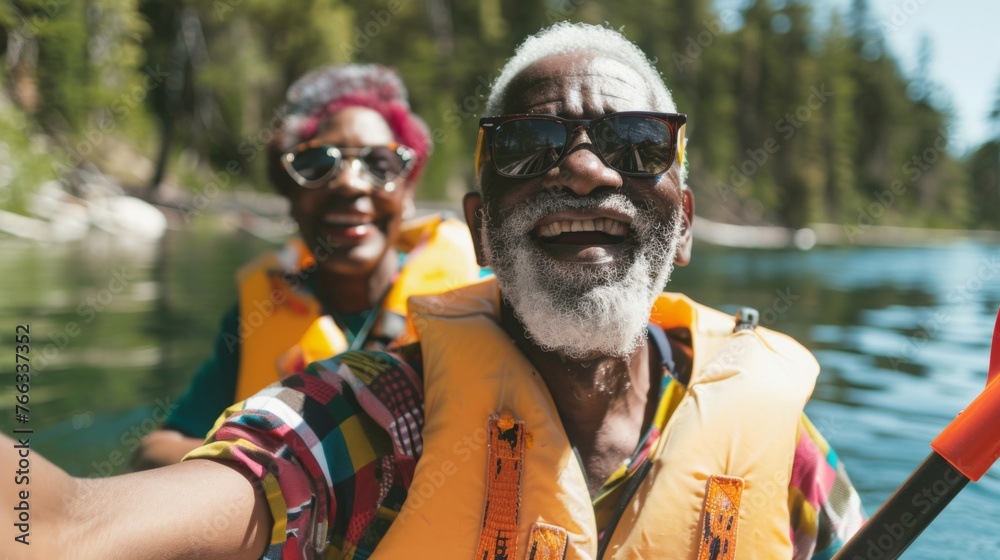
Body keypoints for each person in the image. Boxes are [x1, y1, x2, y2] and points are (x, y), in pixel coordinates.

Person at [3, 23, 863, 559]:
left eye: (639, 144)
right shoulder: (370, 420)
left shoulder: (782, 446)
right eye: (530, 145)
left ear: (681, 227)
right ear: (483, 232)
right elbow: (69, 527)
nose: (586, 168)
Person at [132, 64, 482, 469]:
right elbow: (152, 451)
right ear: (292, 197)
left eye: (381, 164)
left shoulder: (480, 296)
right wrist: (275, 464)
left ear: (407, 192)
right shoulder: (253, 317)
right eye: (317, 164)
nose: (350, 184)